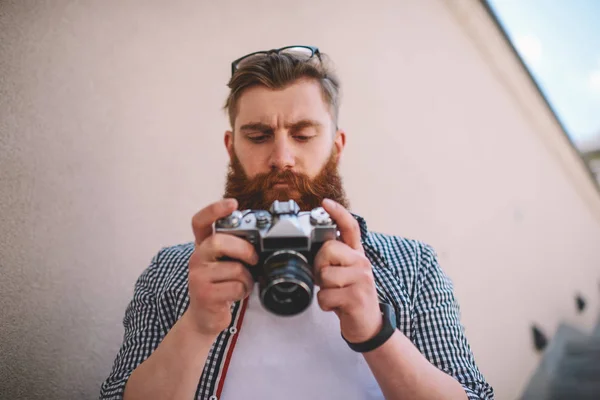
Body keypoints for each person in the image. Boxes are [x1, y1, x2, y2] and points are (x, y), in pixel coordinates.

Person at [100, 46, 494, 400]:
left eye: (303, 135)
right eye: (258, 136)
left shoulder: (413, 267)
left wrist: (376, 332)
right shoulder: (172, 271)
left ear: (336, 148)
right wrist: (197, 327)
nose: (282, 157)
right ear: (230, 147)